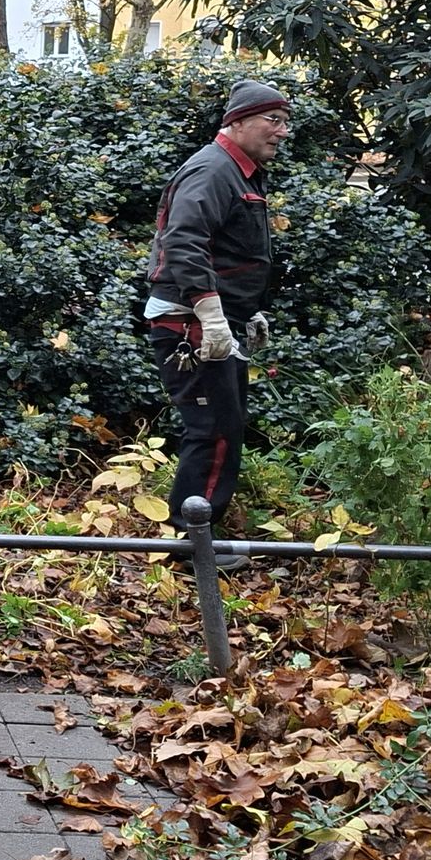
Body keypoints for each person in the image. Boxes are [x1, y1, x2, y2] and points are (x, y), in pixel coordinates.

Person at [141, 79, 291, 544]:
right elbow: (184, 242)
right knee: (213, 432)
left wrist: (246, 315)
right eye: (274, 120)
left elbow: (228, 252)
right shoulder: (213, 170)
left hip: (207, 322)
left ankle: (198, 538)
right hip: (188, 325)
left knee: (221, 429)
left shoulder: (238, 171)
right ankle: (192, 543)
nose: (282, 132)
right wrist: (210, 316)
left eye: (286, 123)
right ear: (238, 121)